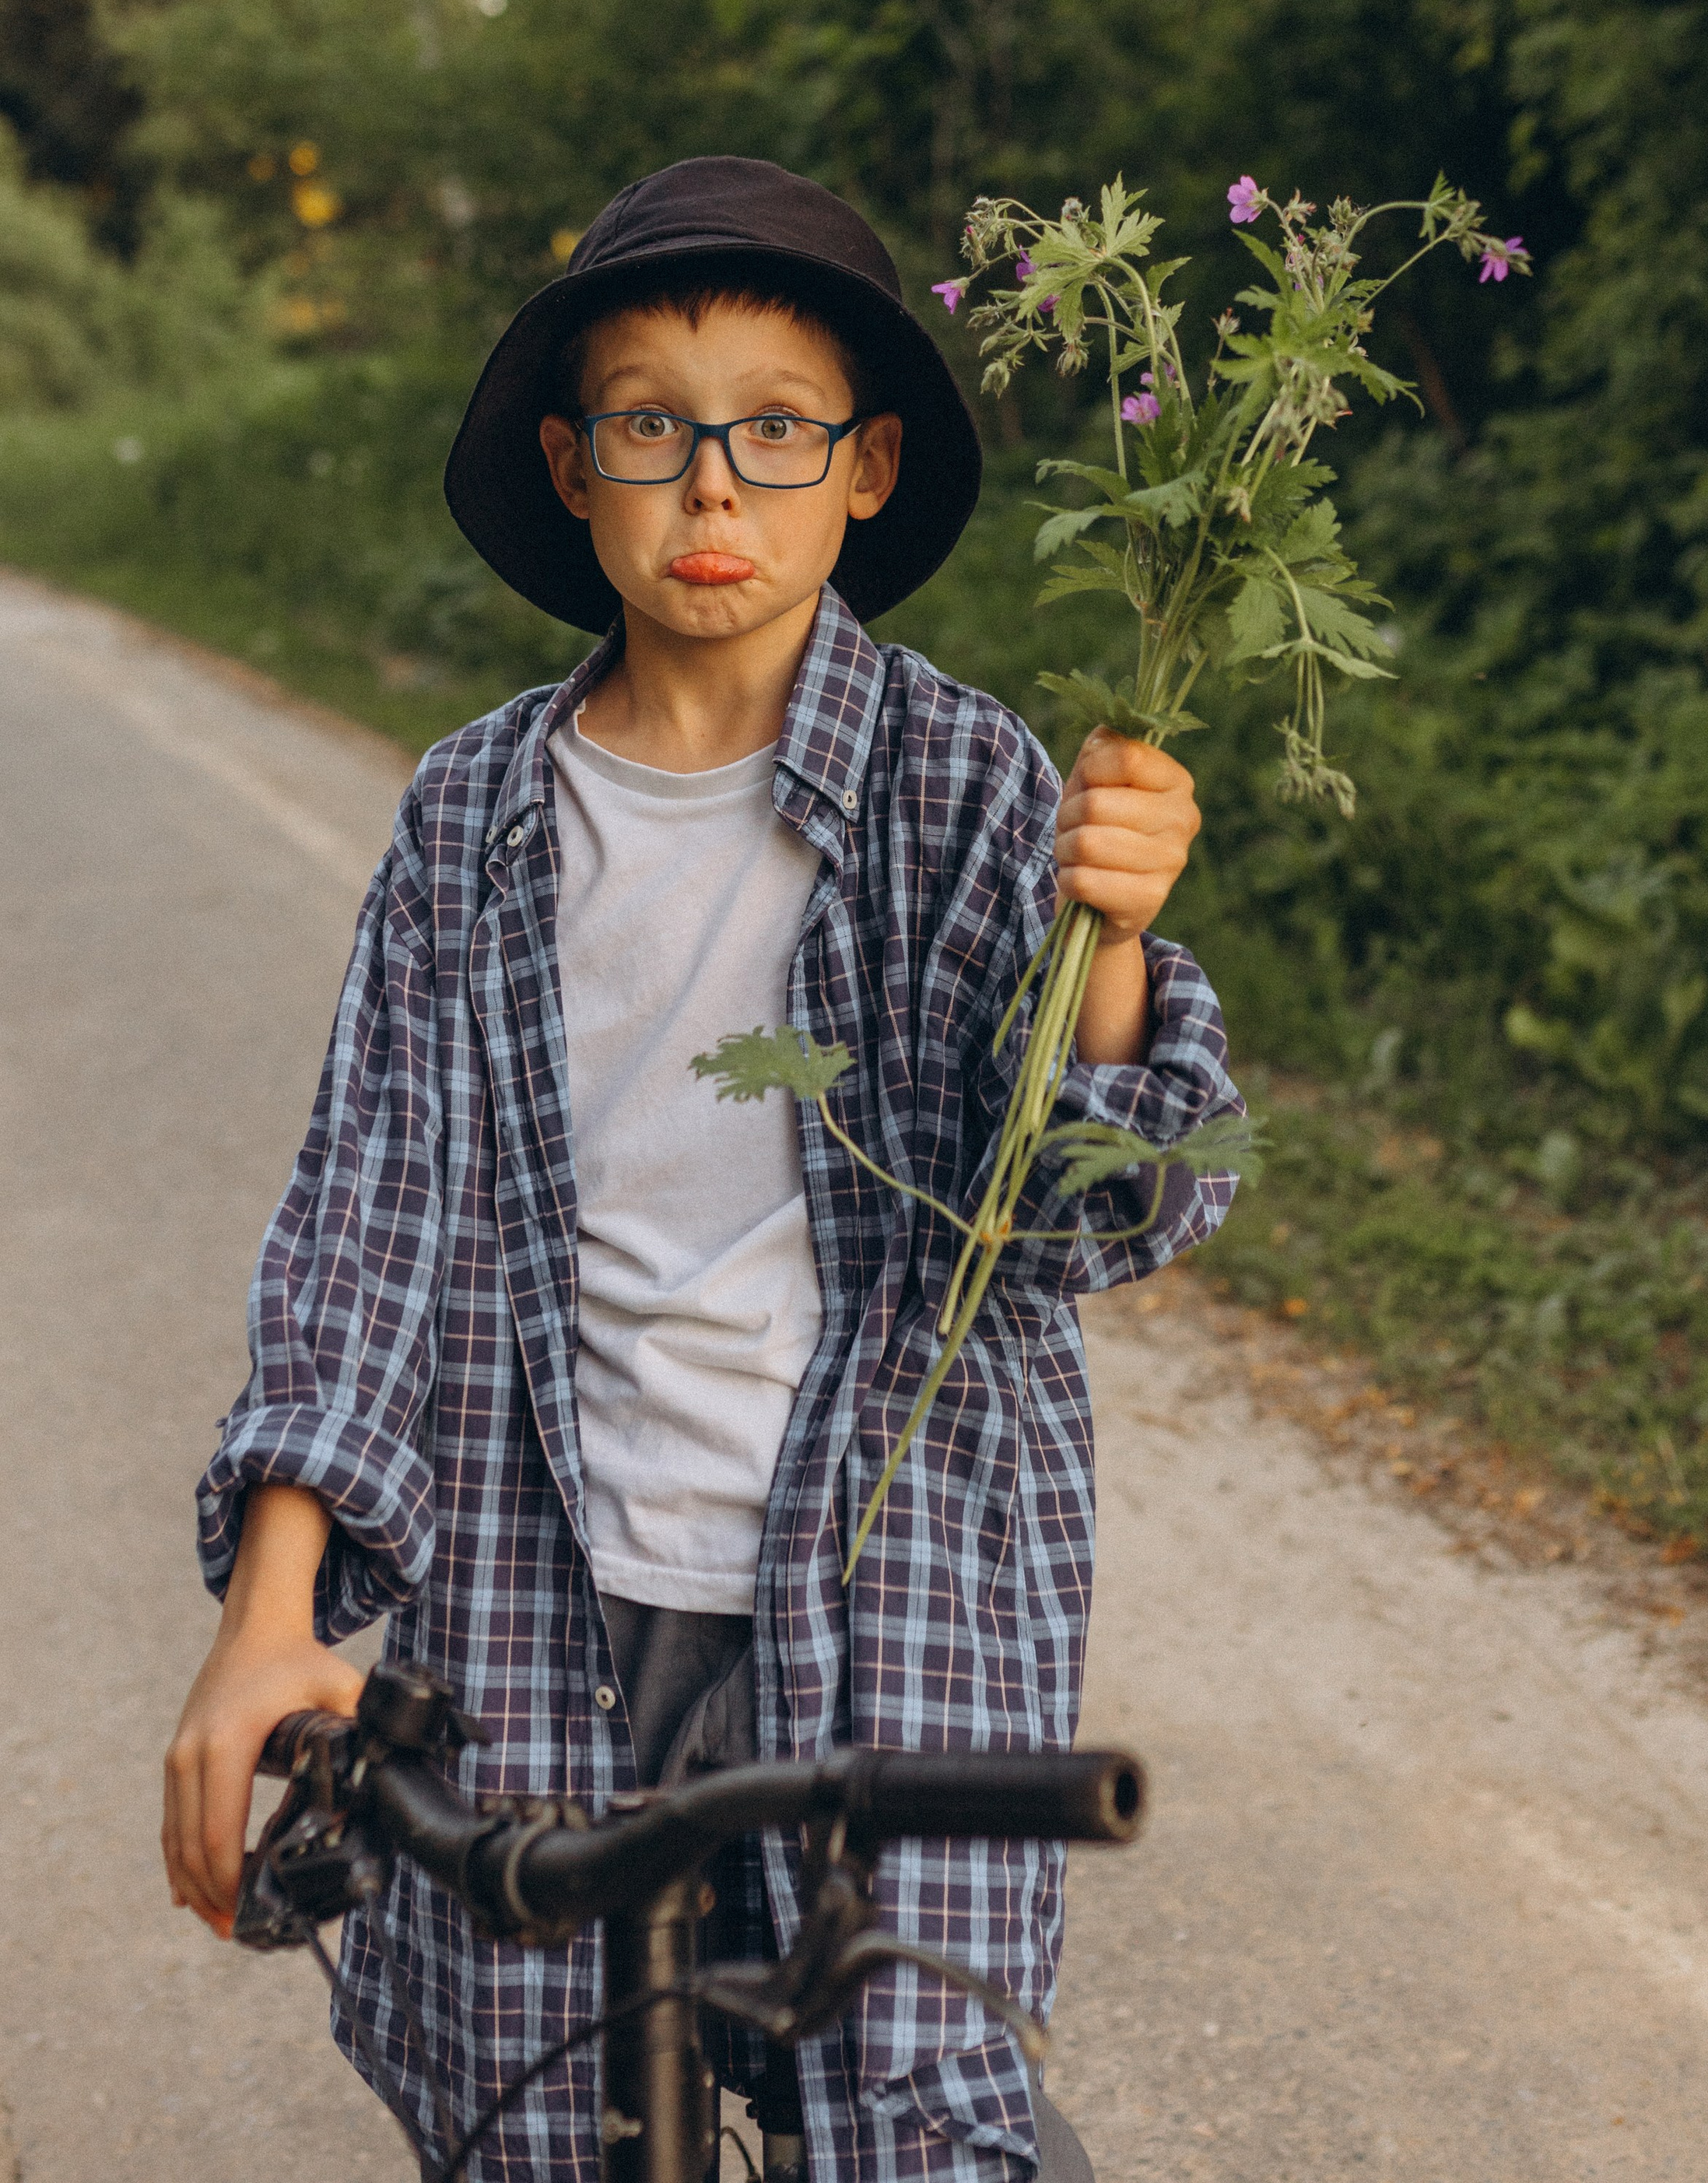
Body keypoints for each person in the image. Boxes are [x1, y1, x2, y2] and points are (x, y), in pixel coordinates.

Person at [162, 156, 1241, 2182]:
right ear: (577, 467)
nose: (716, 486)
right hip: (547, 1604)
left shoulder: (970, 782)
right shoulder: (476, 808)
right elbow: (376, 1213)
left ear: (865, 465)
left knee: (917, 2107)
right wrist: (274, 1610)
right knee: (543, 2104)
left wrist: (1110, 949)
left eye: (776, 426)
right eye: (655, 423)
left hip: (891, 1606)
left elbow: (1101, 1211)